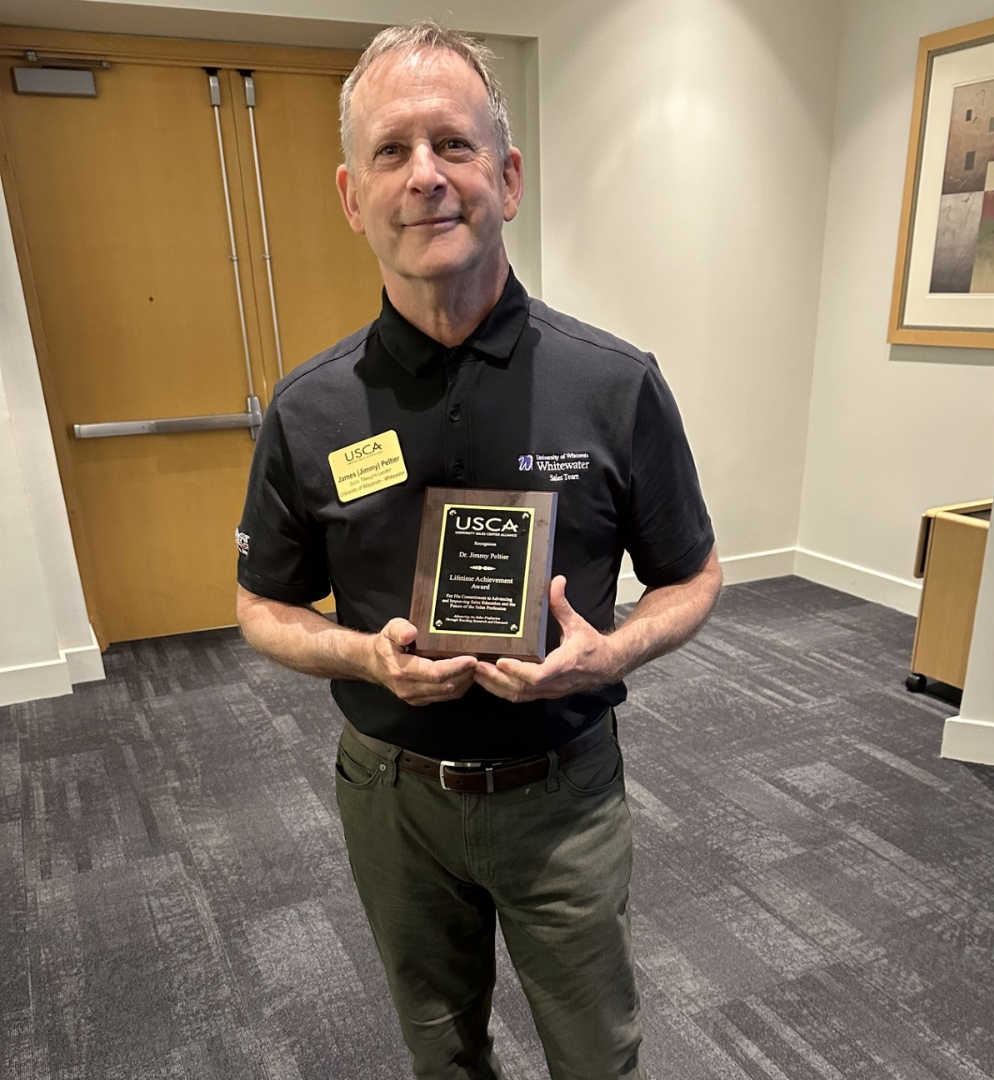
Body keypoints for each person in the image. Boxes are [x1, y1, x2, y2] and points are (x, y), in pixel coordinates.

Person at [235, 21, 722, 1080]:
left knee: (598, 1056)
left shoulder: (614, 384)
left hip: (563, 794)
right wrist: (363, 658)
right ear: (350, 196)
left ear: (506, 177)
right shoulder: (310, 410)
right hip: (392, 799)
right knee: (439, 1053)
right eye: (391, 151)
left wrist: (617, 652)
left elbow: (694, 574)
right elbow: (260, 607)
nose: (426, 178)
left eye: (453, 146)